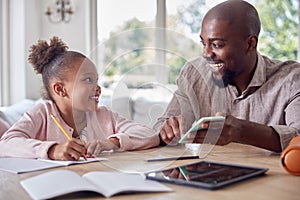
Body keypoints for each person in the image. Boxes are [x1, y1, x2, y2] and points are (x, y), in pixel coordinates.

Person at [153, 0, 300, 152]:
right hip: (208, 174)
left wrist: (241, 131)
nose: (206, 54)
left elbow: (299, 137)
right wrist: (168, 131)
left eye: (216, 45)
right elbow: (160, 127)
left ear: (250, 44)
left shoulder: (292, 79)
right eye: (204, 43)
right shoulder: (193, 74)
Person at [0, 36, 159, 160]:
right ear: (60, 89)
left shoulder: (103, 115)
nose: (97, 88)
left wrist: (112, 142)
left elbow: (149, 135)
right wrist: (53, 150)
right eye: (88, 80)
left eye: (96, 81)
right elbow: (5, 144)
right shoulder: (42, 113)